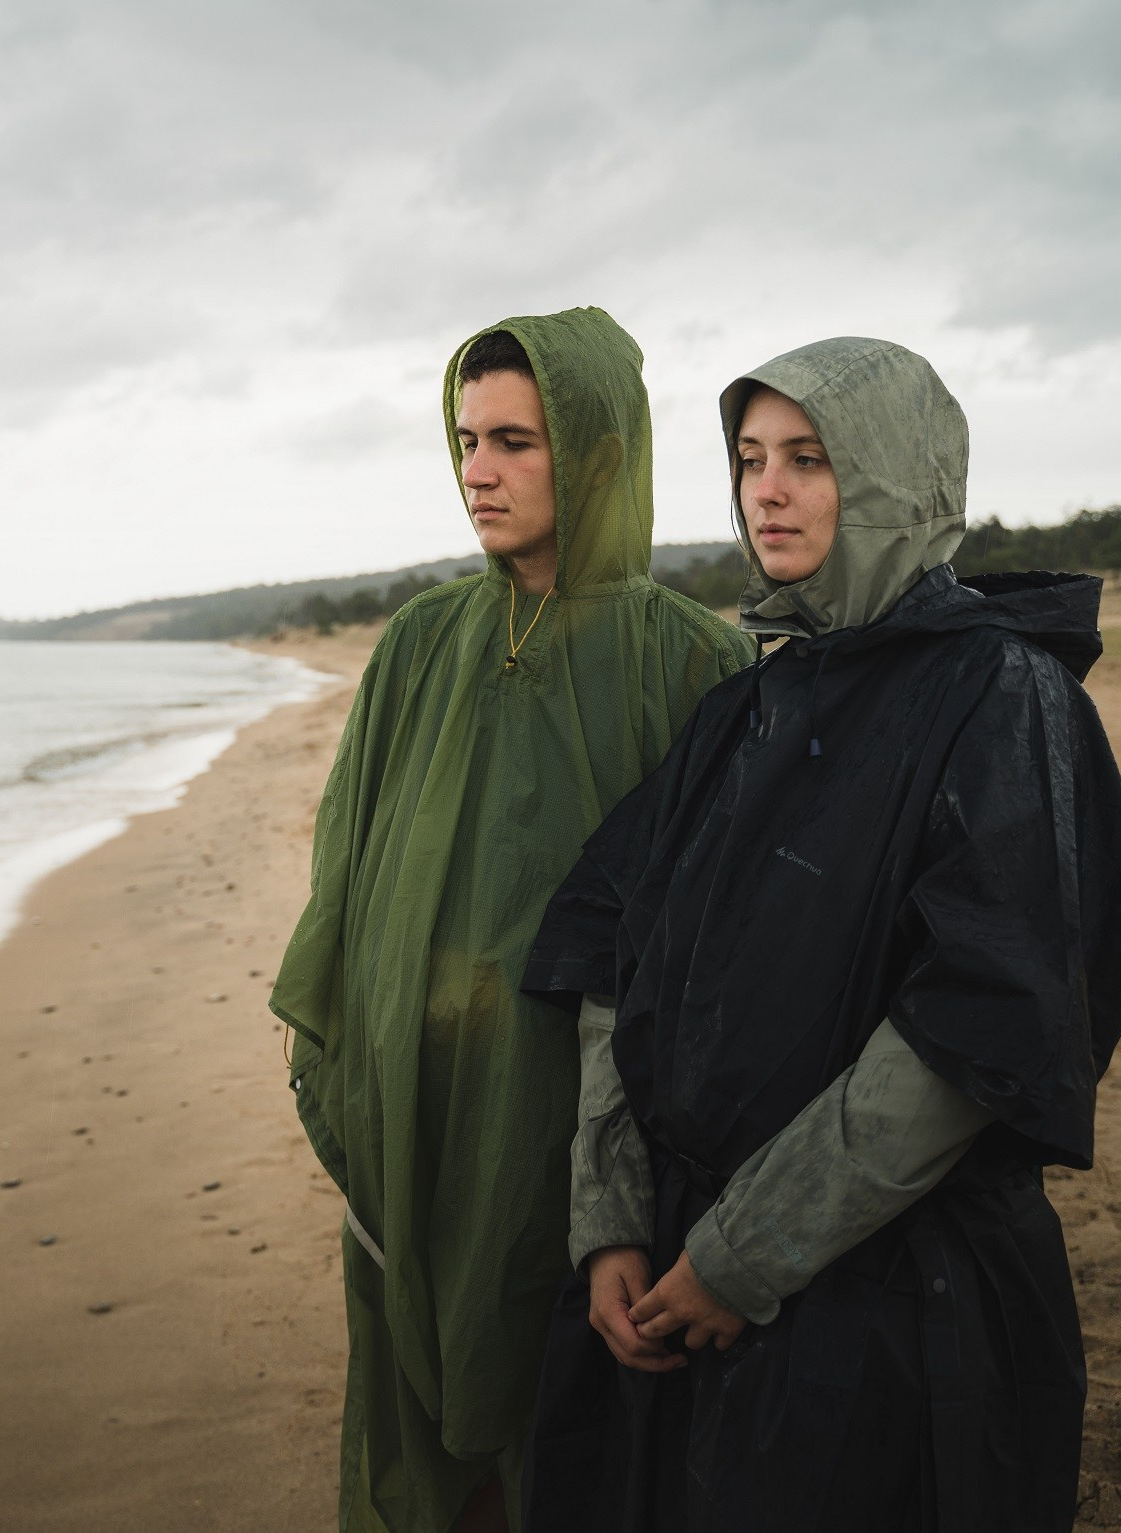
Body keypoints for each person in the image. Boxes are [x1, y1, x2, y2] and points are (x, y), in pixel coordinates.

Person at [521, 336, 1121, 1532]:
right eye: (751, 458)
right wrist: (608, 1215)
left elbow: (974, 1026)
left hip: (880, 1295)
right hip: (676, 1268)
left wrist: (746, 1256)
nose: (766, 489)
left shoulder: (1000, 699)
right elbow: (612, 939)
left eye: (808, 460)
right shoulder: (745, 707)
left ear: (893, 478)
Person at [272, 308, 755, 1533]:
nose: (475, 471)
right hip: (417, 1127)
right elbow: (349, 880)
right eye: (463, 438)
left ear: (596, 455)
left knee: (568, 1432)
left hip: (580, 1136)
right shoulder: (420, 645)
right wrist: (352, 1084)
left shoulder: (693, 663)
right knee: (429, 1439)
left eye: (513, 441)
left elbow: (718, 943)